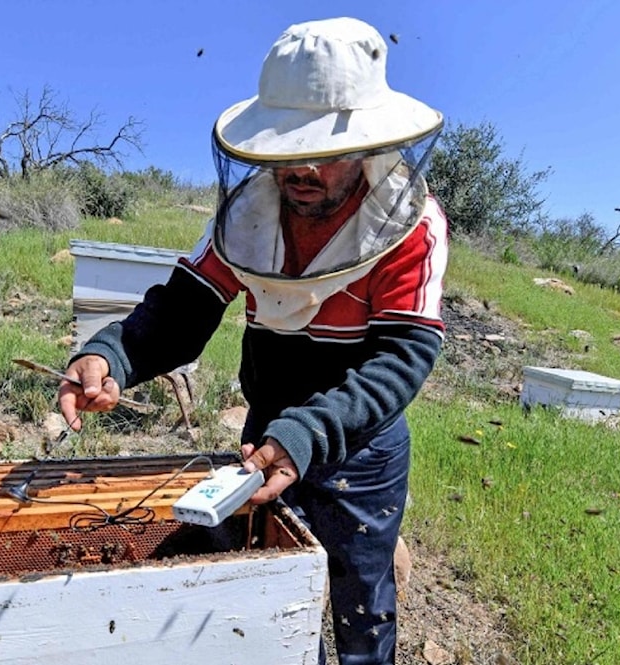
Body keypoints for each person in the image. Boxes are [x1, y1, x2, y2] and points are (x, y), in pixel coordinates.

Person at [59, 16, 448, 665]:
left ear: (366, 145)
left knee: (362, 602)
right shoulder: (247, 220)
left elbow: (402, 358)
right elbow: (182, 311)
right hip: (266, 437)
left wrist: (308, 433)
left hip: (362, 447)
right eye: (288, 148)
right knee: (270, 597)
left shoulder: (410, 226)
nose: (301, 169)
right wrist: (111, 354)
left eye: (321, 150)